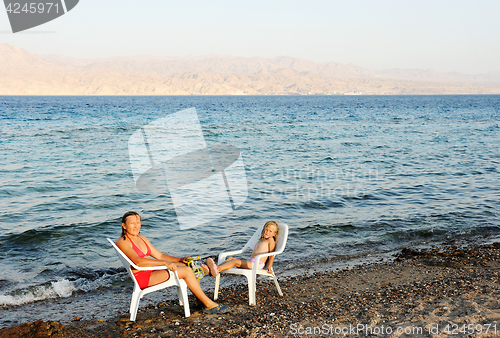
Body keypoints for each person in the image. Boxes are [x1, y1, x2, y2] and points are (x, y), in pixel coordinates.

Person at [116, 211, 229, 314]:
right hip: (143, 277)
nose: (136, 226)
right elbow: (138, 262)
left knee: (188, 265)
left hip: (152, 271)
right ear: (124, 225)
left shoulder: (141, 237)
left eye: (138, 222)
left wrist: (179, 259)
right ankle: (209, 304)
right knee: (186, 271)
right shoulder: (123, 242)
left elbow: (160, 255)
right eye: (132, 223)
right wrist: (164, 263)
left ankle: (199, 301)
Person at [204, 221, 279, 276]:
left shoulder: (271, 240)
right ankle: (213, 270)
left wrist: (269, 267)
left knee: (234, 262)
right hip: (252, 262)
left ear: (274, 234)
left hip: (257, 264)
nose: (267, 232)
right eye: (266, 229)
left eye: (270, 231)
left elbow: (271, 255)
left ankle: (217, 269)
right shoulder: (262, 239)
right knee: (230, 258)